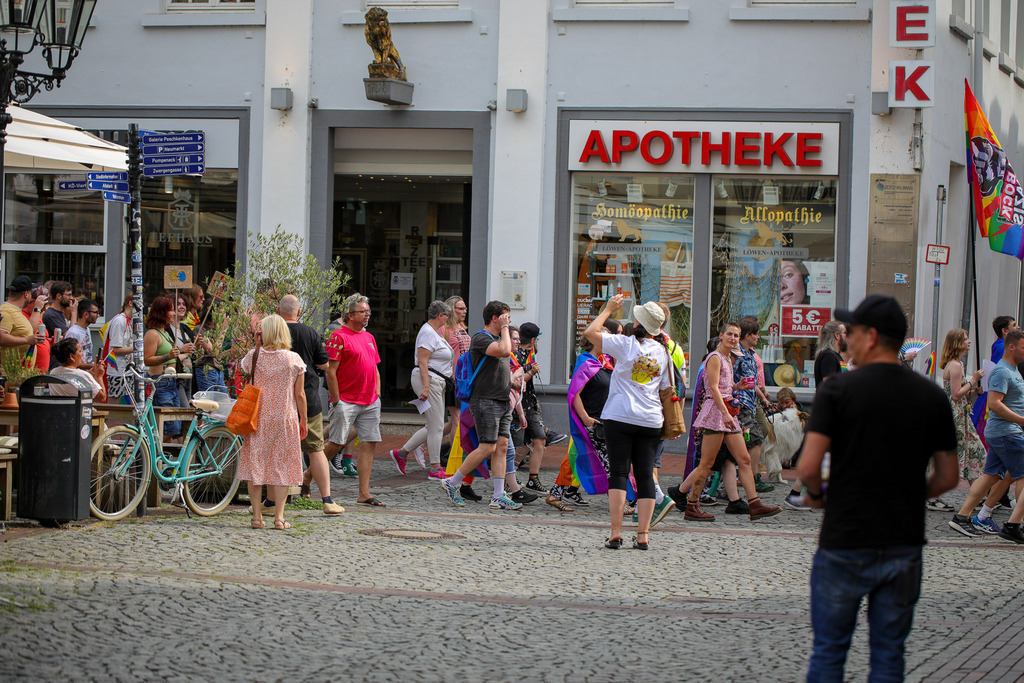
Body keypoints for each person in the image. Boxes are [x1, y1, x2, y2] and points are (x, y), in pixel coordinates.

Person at [799, 294, 959, 681]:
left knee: (829, 651)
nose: (846, 339)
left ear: (870, 336)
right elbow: (948, 477)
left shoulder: (838, 390)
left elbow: (807, 467)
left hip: (845, 537)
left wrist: (818, 496)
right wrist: (908, 493)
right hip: (903, 539)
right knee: (889, 655)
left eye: (851, 332)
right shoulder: (931, 396)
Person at [584, 295, 672, 550]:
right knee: (645, 475)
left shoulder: (625, 344)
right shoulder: (663, 352)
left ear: (638, 322)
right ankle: (643, 535)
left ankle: (616, 532)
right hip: (650, 419)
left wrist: (608, 310)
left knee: (619, 473)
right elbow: (665, 389)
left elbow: (590, 333)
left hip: (620, 415)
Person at [676, 322, 781, 522]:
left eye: (736, 335)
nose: (733, 338)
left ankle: (755, 504)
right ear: (721, 335)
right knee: (707, 463)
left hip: (727, 412)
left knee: (744, 459)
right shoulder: (715, 357)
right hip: (717, 413)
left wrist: (736, 387)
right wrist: (724, 413)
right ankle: (692, 504)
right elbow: (713, 388)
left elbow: (723, 387)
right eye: (730, 334)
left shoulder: (726, 358)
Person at [439, 300, 519, 510]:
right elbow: (504, 351)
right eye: (505, 317)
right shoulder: (481, 338)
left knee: (501, 447)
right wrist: (505, 328)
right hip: (485, 400)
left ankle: (498, 495)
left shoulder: (498, 338)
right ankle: (452, 482)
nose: (509, 320)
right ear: (494, 318)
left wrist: (511, 383)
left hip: (501, 400)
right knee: (487, 447)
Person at [948, 327, 1024, 543]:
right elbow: (995, 403)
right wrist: (1021, 420)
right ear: (1011, 347)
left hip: (1004, 432)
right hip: (1007, 433)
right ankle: (1014, 525)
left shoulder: (1014, 370)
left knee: (990, 475)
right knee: (1021, 476)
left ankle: (962, 517)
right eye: (1023, 347)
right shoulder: (1002, 371)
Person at [238, 314, 308, 531]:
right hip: (284, 417)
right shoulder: (293, 359)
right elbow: (300, 394)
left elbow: (243, 372)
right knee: (281, 465)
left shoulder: (253, 356)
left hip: (257, 417)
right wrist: (304, 419)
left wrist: (257, 346)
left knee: (255, 464)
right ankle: (279, 517)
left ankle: (256, 517)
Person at [278, 295, 344, 515]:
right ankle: (327, 500)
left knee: (277, 451)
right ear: (299, 312)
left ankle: (271, 502)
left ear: (278, 311)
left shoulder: (272, 332)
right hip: (308, 398)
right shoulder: (310, 332)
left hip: (278, 400)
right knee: (316, 449)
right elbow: (324, 364)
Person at [325, 294, 386, 507]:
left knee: (369, 443)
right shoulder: (338, 337)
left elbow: (375, 367)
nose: (368, 314)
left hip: (370, 400)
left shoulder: (369, 337)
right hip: (346, 400)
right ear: (350, 315)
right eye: (363, 311)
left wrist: (377, 393)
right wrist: (337, 400)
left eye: (368, 311)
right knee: (336, 443)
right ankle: (308, 476)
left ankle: (364, 493)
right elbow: (330, 372)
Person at [547, 334, 613, 512]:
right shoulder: (586, 363)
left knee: (576, 457)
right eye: (605, 339)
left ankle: (555, 494)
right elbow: (574, 393)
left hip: (600, 420)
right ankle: (620, 502)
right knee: (609, 462)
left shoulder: (601, 363)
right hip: (592, 423)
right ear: (595, 342)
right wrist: (585, 418)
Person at [390, 300, 453, 479]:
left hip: (436, 381)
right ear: (440, 315)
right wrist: (426, 387)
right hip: (430, 380)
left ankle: (401, 453)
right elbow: (422, 361)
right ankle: (435, 467)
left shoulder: (434, 332)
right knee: (436, 426)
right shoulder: (428, 333)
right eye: (447, 316)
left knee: (434, 425)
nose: (448, 319)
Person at [441, 295, 480, 501]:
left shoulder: (463, 328)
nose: (464, 312)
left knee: (457, 421)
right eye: (460, 308)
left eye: (465, 308)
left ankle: (424, 443)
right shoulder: (444, 329)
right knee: (457, 420)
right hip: (454, 379)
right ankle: (453, 460)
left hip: (467, 379)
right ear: (451, 309)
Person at [143, 296, 196, 440]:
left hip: (171, 382)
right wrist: (169, 355)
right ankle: (149, 450)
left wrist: (183, 352)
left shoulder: (165, 333)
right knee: (168, 427)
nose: (173, 313)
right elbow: (147, 360)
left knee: (175, 427)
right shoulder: (152, 334)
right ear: (162, 312)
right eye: (171, 310)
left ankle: (156, 451)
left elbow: (173, 355)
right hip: (160, 382)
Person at [939, 329, 987, 487]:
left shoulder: (959, 364)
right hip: (955, 416)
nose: (969, 341)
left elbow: (962, 393)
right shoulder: (955, 365)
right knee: (968, 450)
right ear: (957, 343)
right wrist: (973, 380)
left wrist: (974, 392)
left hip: (961, 415)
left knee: (974, 450)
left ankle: (977, 492)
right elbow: (955, 395)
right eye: (966, 339)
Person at [516, 322, 554, 494]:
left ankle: (533, 479)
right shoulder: (516, 354)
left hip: (529, 404)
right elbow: (515, 380)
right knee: (514, 444)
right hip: (517, 405)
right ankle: (508, 478)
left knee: (539, 439)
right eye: (536, 339)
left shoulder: (529, 353)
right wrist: (531, 372)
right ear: (532, 339)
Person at [0, 276, 47, 363]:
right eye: (30, 294)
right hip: (10, 370)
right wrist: (27, 340)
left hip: (20, 369)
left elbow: (29, 331)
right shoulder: (7, 311)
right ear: (26, 294)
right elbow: (1, 337)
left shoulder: (16, 311)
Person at [49, 337, 107, 403]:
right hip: (78, 409)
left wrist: (93, 371)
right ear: (72, 356)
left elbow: (74, 377)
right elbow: (101, 399)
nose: (82, 354)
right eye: (80, 351)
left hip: (57, 409)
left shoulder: (53, 372)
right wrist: (99, 376)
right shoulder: (82, 375)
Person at [101, 294, 135, 403]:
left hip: (128, 370)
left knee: (133, 404)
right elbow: (115, 349)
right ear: (130, 303)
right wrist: (136, 348)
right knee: (114, 404)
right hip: (117, 370)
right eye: (140, 303)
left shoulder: (129, 321)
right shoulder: (119, 321)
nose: (142, 307)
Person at [43, 280, 75, 369]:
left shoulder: (60, 312)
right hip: (54, 362)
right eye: (68, 295)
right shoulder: (51, 315)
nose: (71, 298)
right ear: (58, 296)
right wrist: (74, 312)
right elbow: (69, 336)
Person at [65, 299, 99, 370]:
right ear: (86, 314)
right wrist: (94, 366)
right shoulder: (73, 333)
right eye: (95, 312)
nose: (98, 315)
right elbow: (70, 361)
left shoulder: (87, 329)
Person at [813, 320, 847, 387]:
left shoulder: (835, 355)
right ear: (837, 335)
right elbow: (829, 385)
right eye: (845, 333)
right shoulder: (828, 356)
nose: (847, 336)